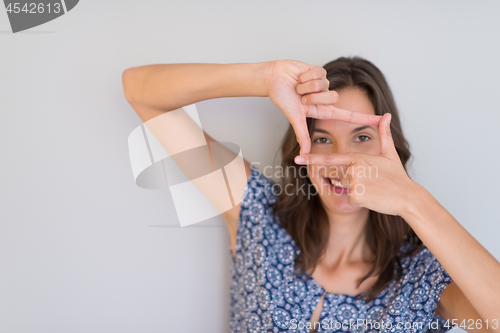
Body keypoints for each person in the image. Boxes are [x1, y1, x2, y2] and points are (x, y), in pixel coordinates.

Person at [122, 58, 500, 333]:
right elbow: (139, 90)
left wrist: (413, 200)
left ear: (392, 151)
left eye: (362, 138)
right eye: (322, 139)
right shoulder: (257, 215)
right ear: (302, 151)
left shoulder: (425, 276)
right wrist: (263, 77)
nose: (341, 161)